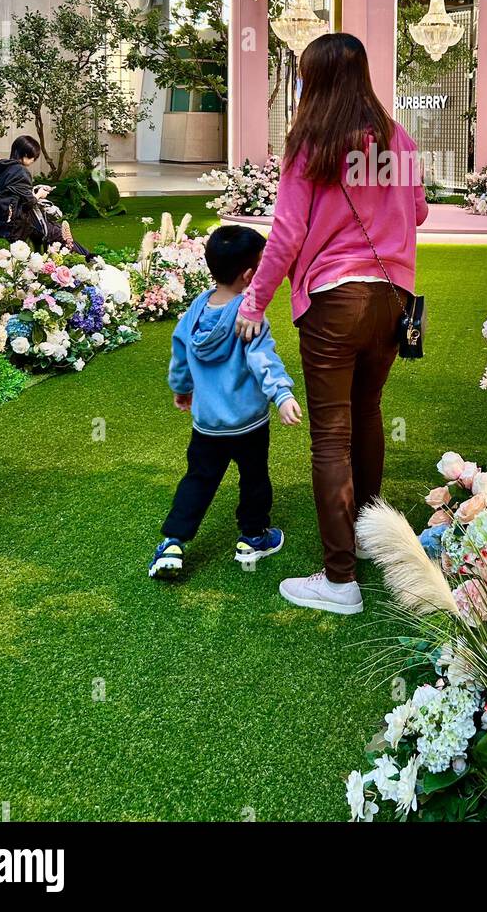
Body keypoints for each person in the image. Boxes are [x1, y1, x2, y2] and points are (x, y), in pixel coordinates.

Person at [236, 33, 428, 617]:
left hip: (334, 298)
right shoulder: (398, 137)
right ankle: (370, 536)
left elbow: (288, 234)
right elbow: (417, 209)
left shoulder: (311, 144)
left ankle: (339, 579)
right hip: (392, 298)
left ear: (312, 80)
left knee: (332, 433)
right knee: (366, 412)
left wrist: (252, 304)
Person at [149, 224, 303, 580]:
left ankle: (173, 542)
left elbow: (180, 356)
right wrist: (281, 394)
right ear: (250, 274)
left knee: (198, 480)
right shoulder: (249, 317)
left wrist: (182, 388)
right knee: (254, 478)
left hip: (207, 424)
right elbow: (263, 359)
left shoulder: (195, 310)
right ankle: (253, 537)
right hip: (248, 423)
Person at [0, 135, 88, 253]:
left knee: (51, 231)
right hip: (16, 224)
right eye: (33, 157)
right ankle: (87, 257)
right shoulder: (20, 171)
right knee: (58, 233)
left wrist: (35, 190)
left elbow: (13, 194)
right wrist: (40, 194)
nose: (33, 160)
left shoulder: (1, 169)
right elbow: (29, 202)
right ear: (25, 154)